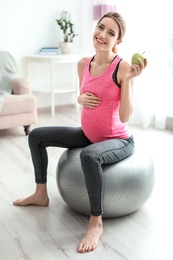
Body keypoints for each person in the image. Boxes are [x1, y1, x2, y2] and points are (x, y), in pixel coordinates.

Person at [13, 12, 147, 253]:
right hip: (88, 133)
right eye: (100, 27)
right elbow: (85, 97)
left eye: (111, 32)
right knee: (36, 136)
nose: (102, 35)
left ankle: (96, 223)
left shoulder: (123, 66)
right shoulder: (83, 63)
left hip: (118, 140)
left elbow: (126, 117)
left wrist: (128, 82)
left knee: (89, 156)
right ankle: (40, 193)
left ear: (118, 41)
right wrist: (79, 98)